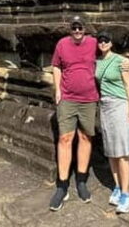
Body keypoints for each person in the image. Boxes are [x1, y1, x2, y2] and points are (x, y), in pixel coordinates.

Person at [49, 15, 99, 211]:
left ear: (85, 29)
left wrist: (125, 65)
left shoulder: (94, 43)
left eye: (80, 27)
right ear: (70, 29)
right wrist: (58, 90)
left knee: (85, 138)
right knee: (65, 138)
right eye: (74, 27)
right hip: (67, 98)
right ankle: (62, 186)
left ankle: (81, 180)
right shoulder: (62, 44)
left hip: (89, 98)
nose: (77, 30)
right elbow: (56, 66)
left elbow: (108, 55)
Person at [95, 30, 129, 214]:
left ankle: (126, 195)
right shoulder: (97, 62)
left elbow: (128, 86)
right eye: (100, 40)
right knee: (111, 151)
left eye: (106, 40)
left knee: (121, 152)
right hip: (104, 106)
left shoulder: (120, 61)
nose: (102, 43)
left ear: (111, 43)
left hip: (119, 105)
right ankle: (118, 187)